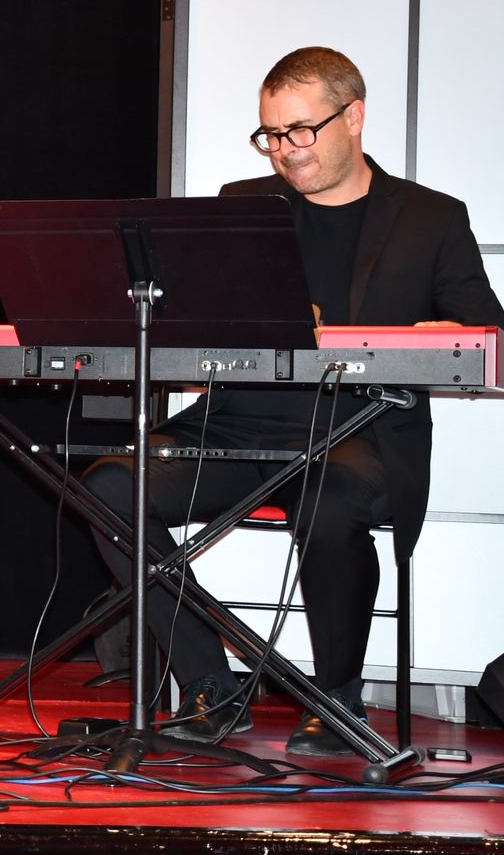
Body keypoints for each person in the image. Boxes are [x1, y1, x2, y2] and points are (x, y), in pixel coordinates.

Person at [82, 46, 503, 756]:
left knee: (327, 499)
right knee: (111, 486)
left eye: (302, 130)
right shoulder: (243, 204)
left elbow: (490, 339)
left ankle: (337, 698)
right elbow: (194, 320)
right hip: (237, 424)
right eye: (272, 134)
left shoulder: (429, 218)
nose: (286, 150)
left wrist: (448, 337)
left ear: (354, 117)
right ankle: (212, 682)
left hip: (361, 434)